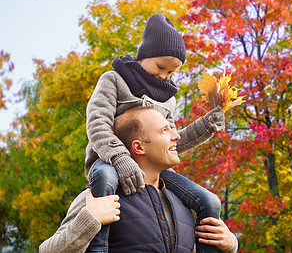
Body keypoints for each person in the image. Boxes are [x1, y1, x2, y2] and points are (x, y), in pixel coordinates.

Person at [84, 14, 225, 252]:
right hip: (109, 160)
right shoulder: (114, 80)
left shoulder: (168, 99)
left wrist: (204, 126)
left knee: (209, 201)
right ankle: (98, 247)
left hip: (153, 168)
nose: (164, 76)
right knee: (105, 179)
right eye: (161, 67)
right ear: (145, 56)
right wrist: (120, 158)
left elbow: (168, 142)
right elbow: (97, 123)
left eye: (171, 73)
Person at [39, 106, 238, 253]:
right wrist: (90, 220)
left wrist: (229, 245)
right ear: (139, 147)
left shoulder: (183, 202)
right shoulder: (100, 198)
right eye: (164, 130)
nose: (176, 136)